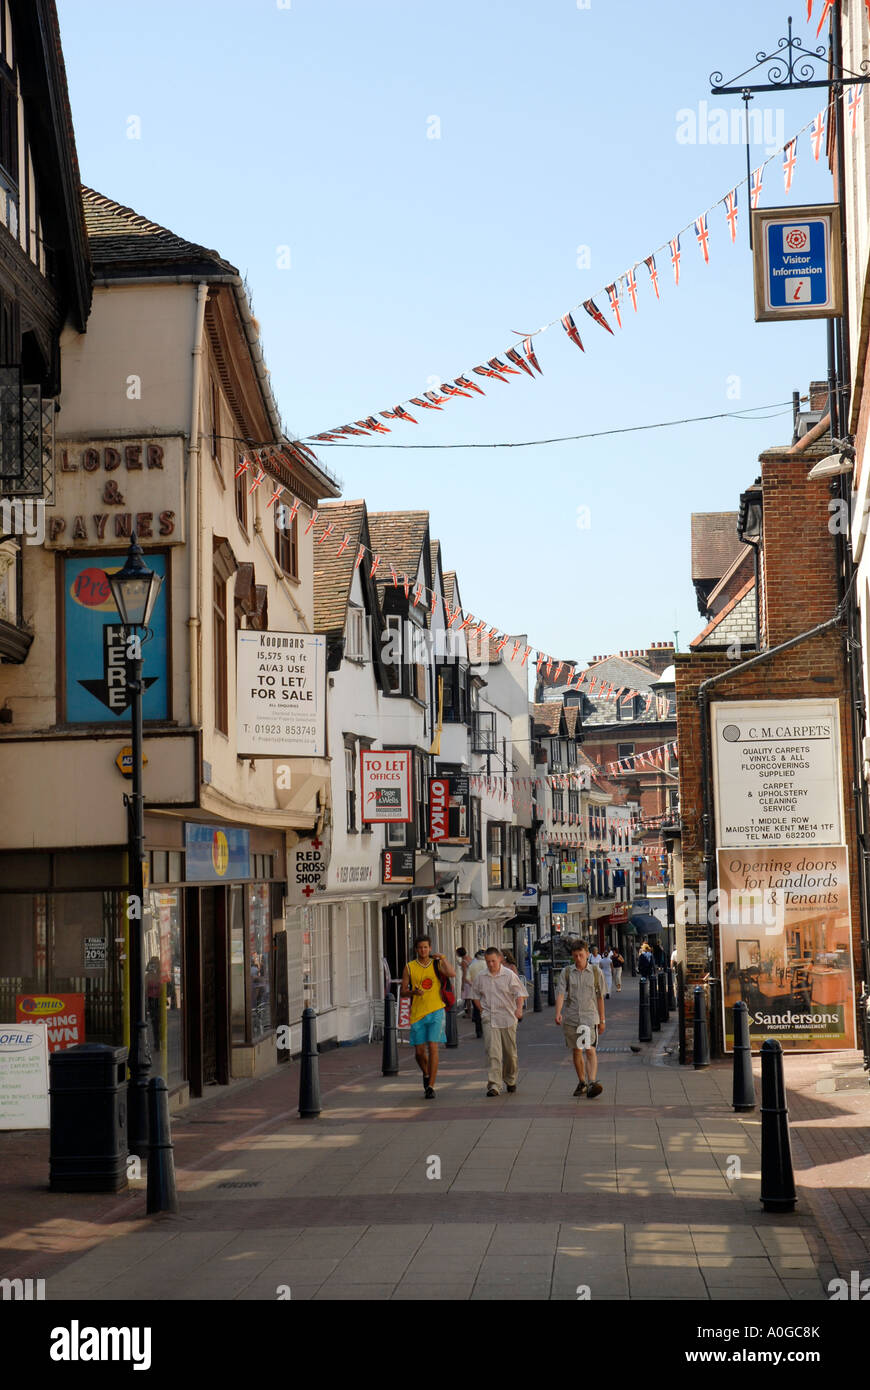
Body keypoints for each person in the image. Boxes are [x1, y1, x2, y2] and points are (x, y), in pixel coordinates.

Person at [401, 935, 455, 1099]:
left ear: (430, 948)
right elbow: (403, 991)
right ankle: (426, 1073)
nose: (423, 950)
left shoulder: (436, 964)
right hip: (418, 1012)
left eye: (426, 947)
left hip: (436, 1009)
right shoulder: (409, 967)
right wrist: (413, 992)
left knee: (433, 1047)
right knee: (418, 1052)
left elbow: (452, 973)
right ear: (416, 950)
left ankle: (430, 1086)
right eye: (420, 947)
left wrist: (443, 958)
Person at [470, 947, 528, 1096]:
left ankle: (510, 1079)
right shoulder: (481, 976)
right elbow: (475, 995)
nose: (490, 964)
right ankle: (494, 1085)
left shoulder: (509, 975)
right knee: (493, 1052)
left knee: (510, 1053)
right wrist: (482, 1010)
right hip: (489, 1017)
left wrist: (519, 1009)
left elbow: (519, 994)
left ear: (500, 959)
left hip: (507, 1017)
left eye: (493, 961)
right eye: (488, 962)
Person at [555, 940, 606, 1098]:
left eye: (581, 955)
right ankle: (582, 1081)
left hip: (590, 1018)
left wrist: (602, 1020)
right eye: (575, 955)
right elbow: (561, 993)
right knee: (577, 1050)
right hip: (572, 1018)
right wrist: (558, 1012)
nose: (578, 958)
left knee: (590, 1049)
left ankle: (592, 1082)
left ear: (587, 954)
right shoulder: (567, 972)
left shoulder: (596, 973)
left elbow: (600, 998)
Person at [466, 948, 487, 1038]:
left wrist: (473, 984)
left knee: (477, 1010)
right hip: (487, 990)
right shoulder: (488, 965)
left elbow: (467, 978)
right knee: (487, 1010)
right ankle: (487, 1029)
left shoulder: (472, 965)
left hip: (475, 991)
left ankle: (478, 1031)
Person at [457, 947, 473, 1017]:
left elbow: (464, 974)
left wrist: (462, 985)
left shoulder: (463, 962)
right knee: (472, 998)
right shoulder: (469, 958)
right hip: (472, 979)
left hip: (467, 981)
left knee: (468, 998)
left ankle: (469, 1014)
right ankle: (472, 1013)